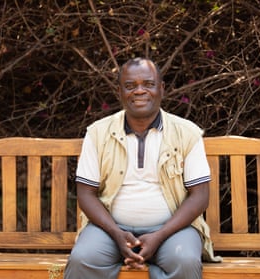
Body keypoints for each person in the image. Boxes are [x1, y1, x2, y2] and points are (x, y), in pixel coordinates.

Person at [64, 57, 220, 279]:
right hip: (109, 230)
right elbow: (86, 193)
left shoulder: (187, 133)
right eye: (130, 86)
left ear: (161, 89)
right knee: (83, 259)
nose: (139, 91)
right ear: (119, 92)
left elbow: (200, 196)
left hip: (173, 231)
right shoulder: (98, 133)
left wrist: (160, 235)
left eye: (148, 84)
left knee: (184, 261)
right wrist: (116, 234)